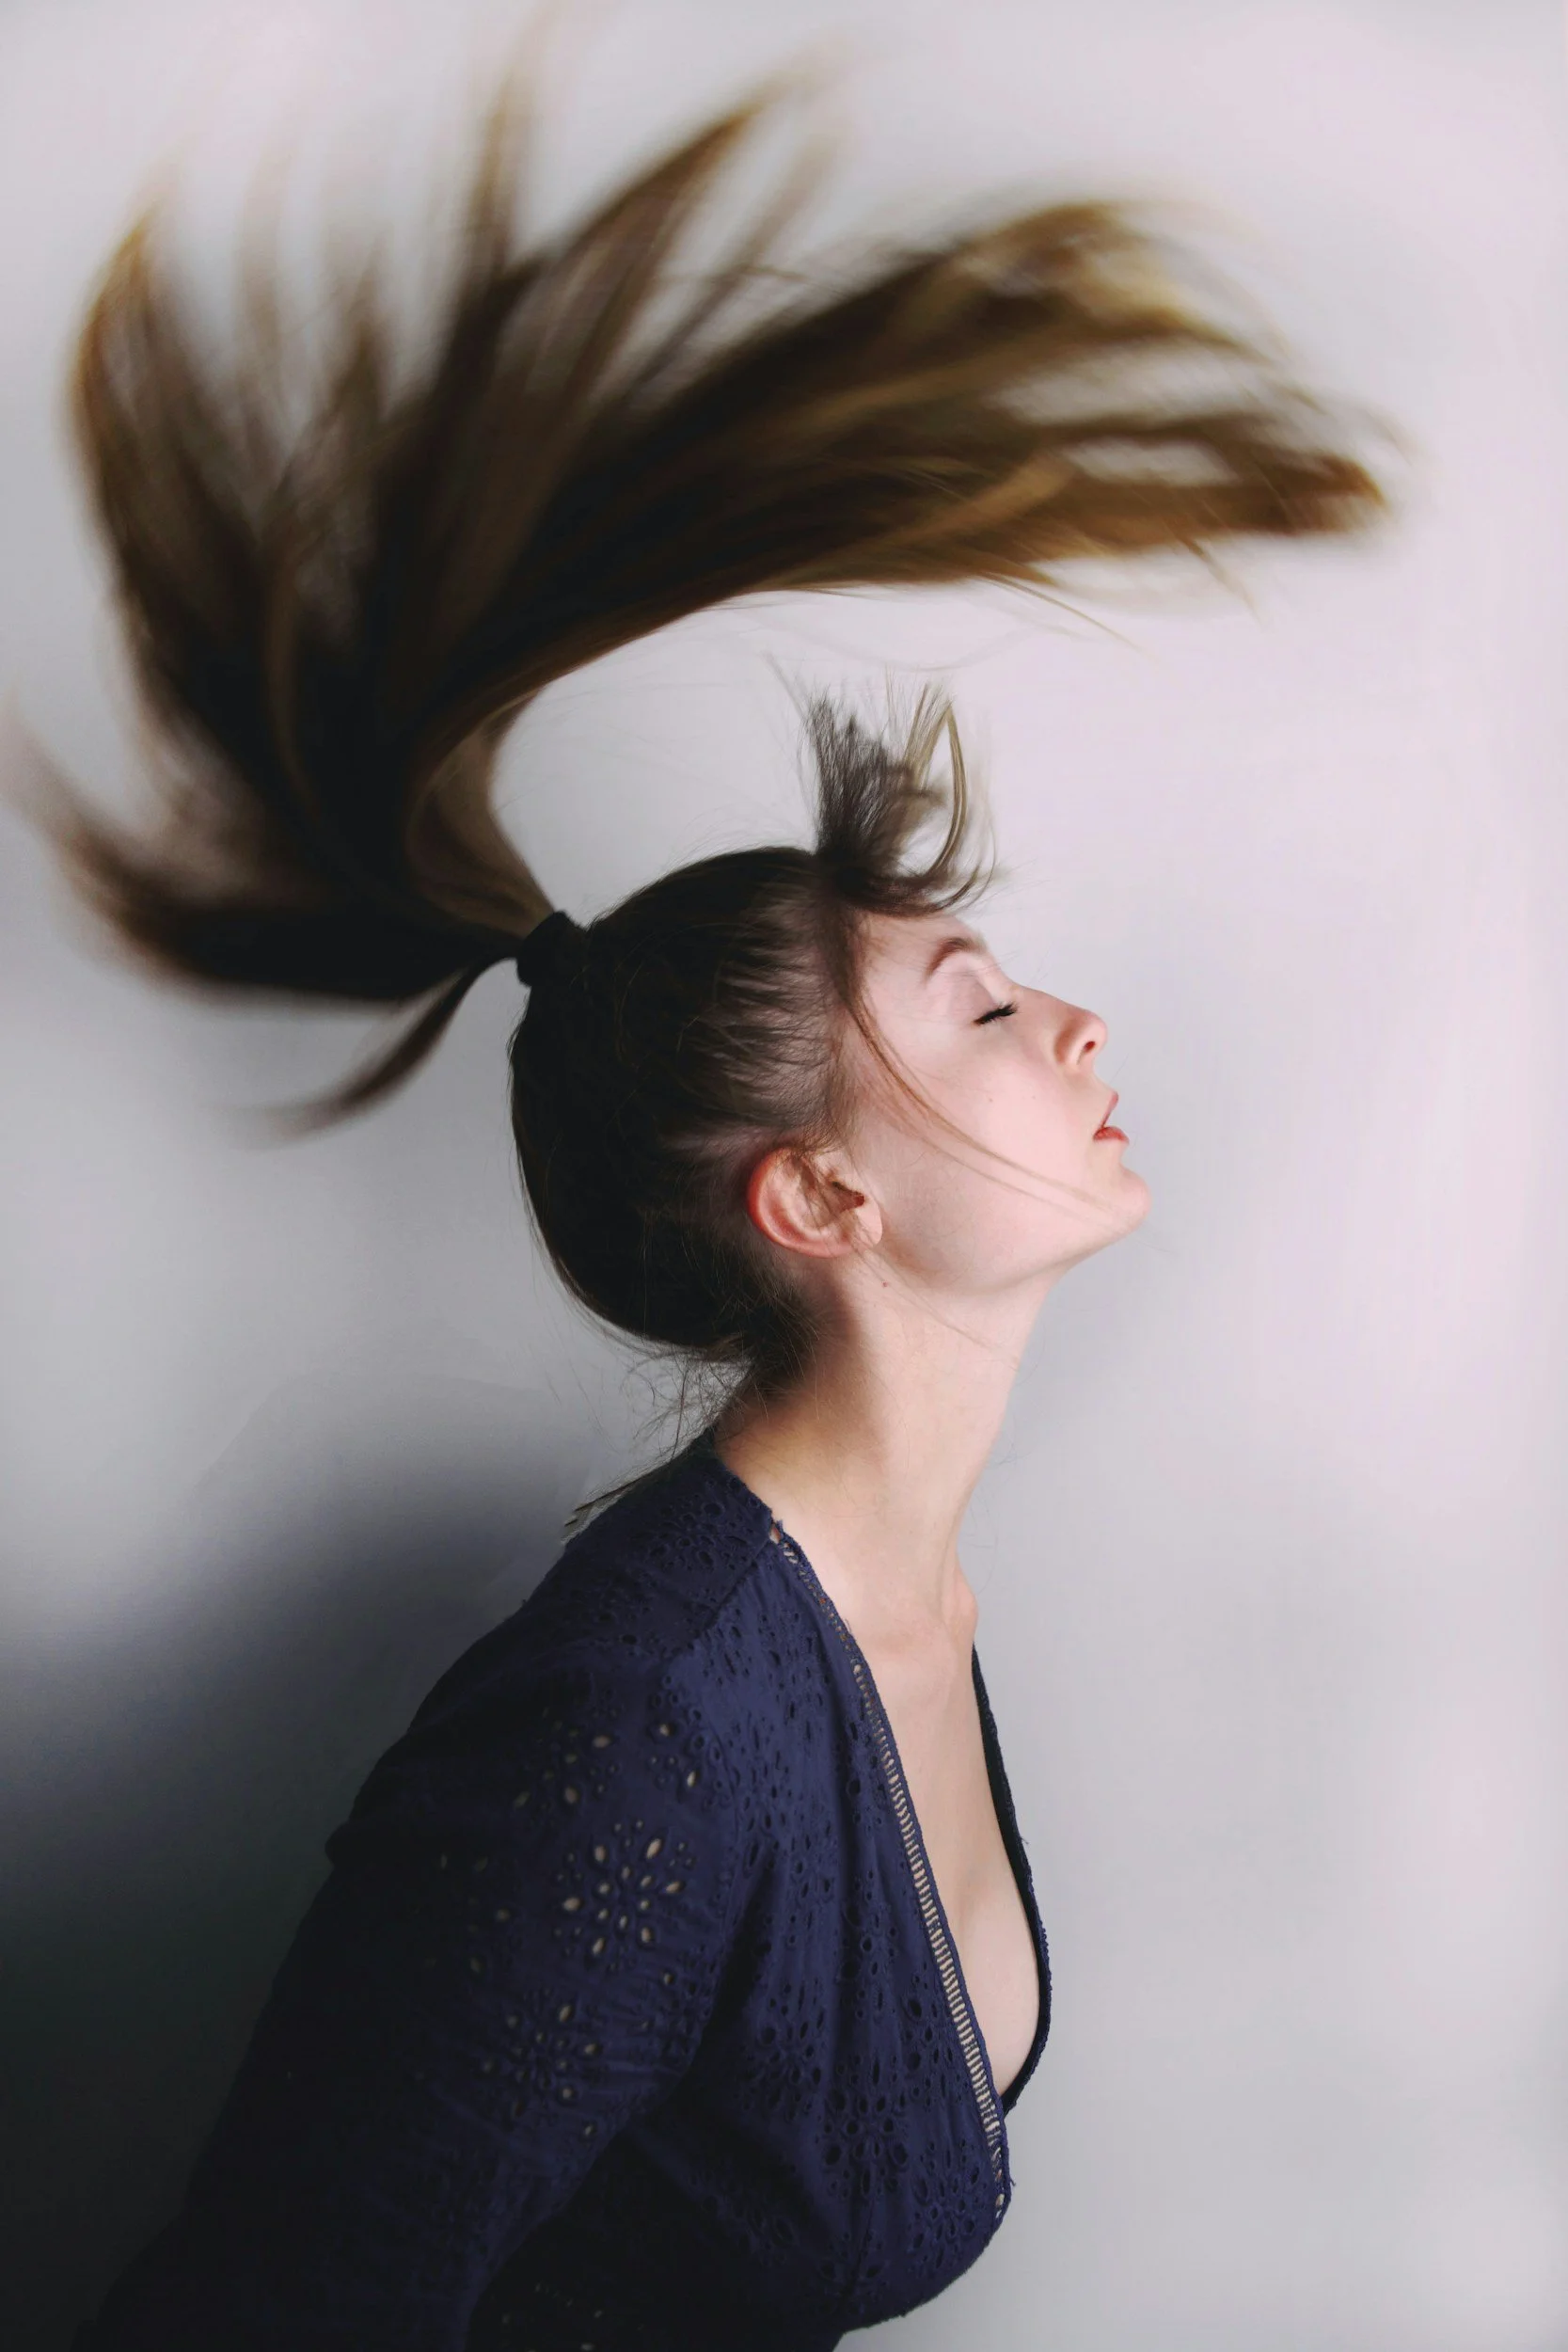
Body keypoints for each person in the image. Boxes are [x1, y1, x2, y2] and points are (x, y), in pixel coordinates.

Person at [34, 66, 1385, 2352]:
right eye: (972, 1003)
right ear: (818, 1188)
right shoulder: (637, 1727)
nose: (1064, 1021)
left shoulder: (908, 1605)